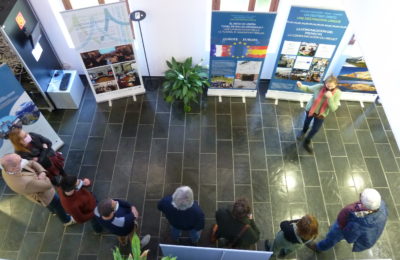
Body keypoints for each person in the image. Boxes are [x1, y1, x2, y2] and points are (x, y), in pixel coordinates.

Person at [0, 153, 75, 226]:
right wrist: (44, 176)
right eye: (20, 161)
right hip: (45, 195)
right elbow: (48, 185)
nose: (23, 160)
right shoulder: (24, 183)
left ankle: (53, 212)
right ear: (14, 168)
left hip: (37, 190)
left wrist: (42, 172)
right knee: (58, 205)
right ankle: (67, 220)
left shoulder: (6, 169)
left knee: (52, 206)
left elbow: (32, 163)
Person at [307, 188, 388, 253]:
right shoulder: (380, 206)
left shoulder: (359, 224)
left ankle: (319, 247)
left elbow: (350, 235)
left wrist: (340, 228)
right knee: (335, 232)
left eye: (361, 197)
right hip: (348, 224)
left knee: (332, 238)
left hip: (342, 228)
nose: (359, 195)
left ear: (366, 207)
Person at [296, 76, 341, 153]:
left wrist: (330, 98)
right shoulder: (319, 87)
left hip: (321, 114)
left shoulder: (337, 93)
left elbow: (333, 108)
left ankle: (307, 141)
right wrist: (300, 86)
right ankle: (303, 131)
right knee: (306, 122)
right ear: (325, 83)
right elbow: (308, 88)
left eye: (332, 86)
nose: (329, 88)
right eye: (328, 85)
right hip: (311, 110)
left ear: (336, 85)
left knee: (315, 129)